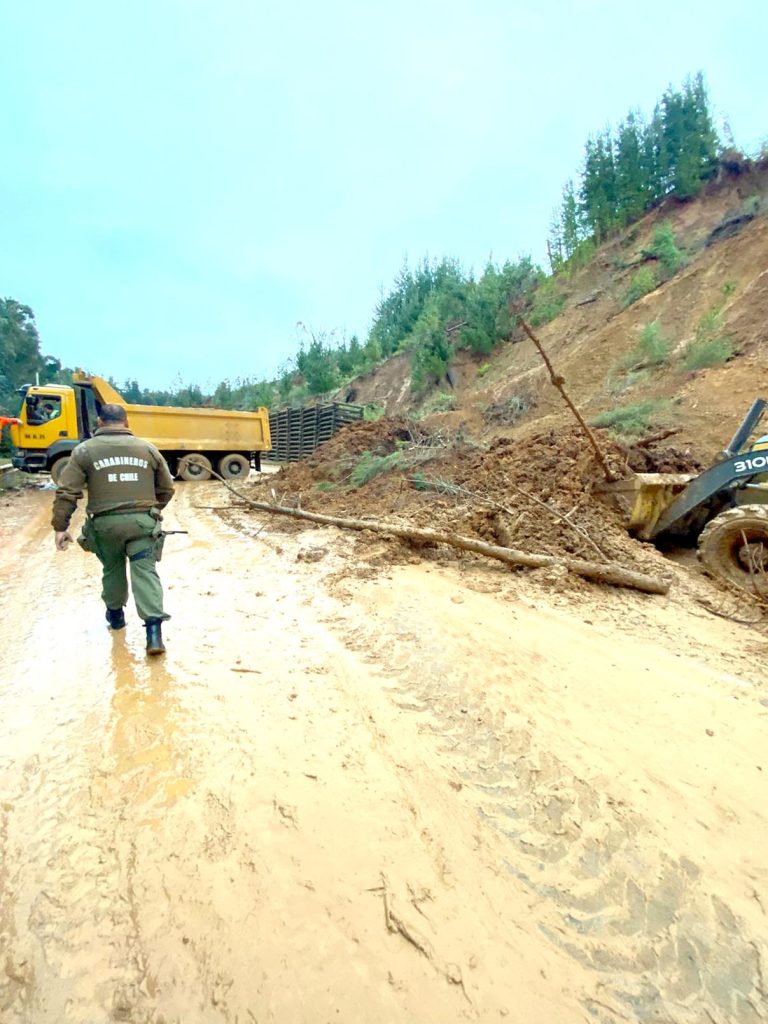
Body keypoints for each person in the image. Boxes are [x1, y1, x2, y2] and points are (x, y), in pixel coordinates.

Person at [52, 403, 175, 655]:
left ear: (99, 422)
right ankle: (154, 635)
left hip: (105, 525)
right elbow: (167, 487)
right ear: (126, 422)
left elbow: (67, 491)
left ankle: (116, 619)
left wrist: (60, 526)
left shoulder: (84, 451)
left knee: (113, 569)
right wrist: (151, 509)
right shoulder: (147, 449)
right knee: (145, 571)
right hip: (142, 524)